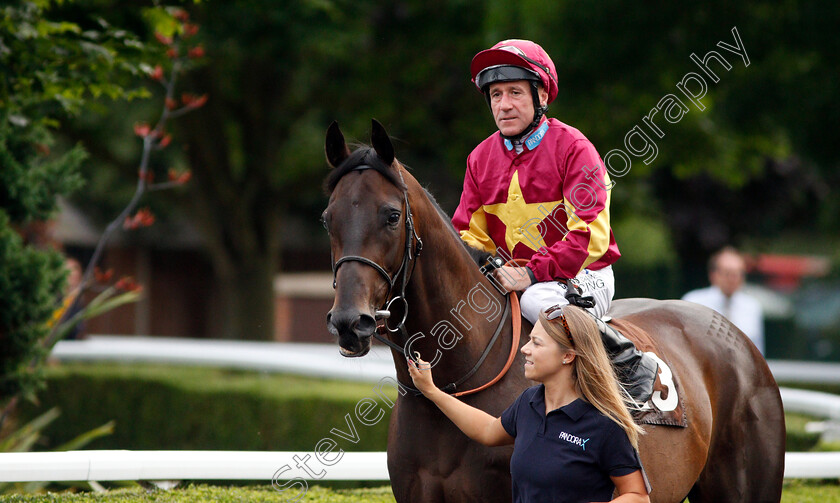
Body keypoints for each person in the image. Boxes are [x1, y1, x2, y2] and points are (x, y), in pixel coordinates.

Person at [408, 304, 651, 503]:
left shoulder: (605, 424)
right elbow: (488, 430)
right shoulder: (529, 401)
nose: (525, 349)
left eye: (536, 343)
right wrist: (431, 391)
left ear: (567, 356)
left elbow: (639, 497)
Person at [452, 39, 620, 323]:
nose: (504, 105)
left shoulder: (575, 148)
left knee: (536, 299)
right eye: (495, 95)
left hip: (585, 273)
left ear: (541, 96)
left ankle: (627, 360)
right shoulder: (479, 158)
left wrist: (530, 273)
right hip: (509, 276)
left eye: (515, 92)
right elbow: (468, 237)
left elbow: (590, 237)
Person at [682, 246, 764, 354]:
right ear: (713, 275)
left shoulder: (752, 306)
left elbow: (758, 351)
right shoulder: (693, 302)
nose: (734, 279)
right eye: (728, 273)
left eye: (739, 273)